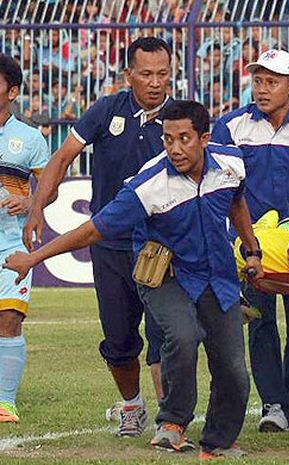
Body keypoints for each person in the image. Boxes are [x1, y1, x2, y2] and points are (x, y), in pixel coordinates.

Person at [4, 100, 260, 459]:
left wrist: (253, 250)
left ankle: (219, 441)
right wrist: (34, 257)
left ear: (204, 139)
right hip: (164, 276)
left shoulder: (231, 164)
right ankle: (171, 424)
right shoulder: (148, 185)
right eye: (168, 139)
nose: (174, 148)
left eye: (184, 138)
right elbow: (91, 230)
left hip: (217, 277)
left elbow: (237, 203)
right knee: (184, 336)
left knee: (233, 366)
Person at [22, 37, 172, 437]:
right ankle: (132, 406)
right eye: (146, 74)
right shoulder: (107, 110)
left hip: (163, 247)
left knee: (165, 335)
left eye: (162, 74)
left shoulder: (180, 118)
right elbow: (63, 157)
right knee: (119, 340)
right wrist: (37, 207)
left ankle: (169, 420)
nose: (155, 82)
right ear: (129, 76)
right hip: (109, 245)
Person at [211, 49, 289, 432]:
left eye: (272, 82)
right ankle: (275, 406)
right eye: (258, 81)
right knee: (261, 323)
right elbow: (220, 183)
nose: (262, 89)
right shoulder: (231, 127)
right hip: (253, 246)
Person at [0, 54, 50, 422]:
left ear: (12, 91)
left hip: (12, 245)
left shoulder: (30, 139)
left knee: (10, 320)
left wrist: (30, 199)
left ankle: (4, 402)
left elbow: (52, 189)